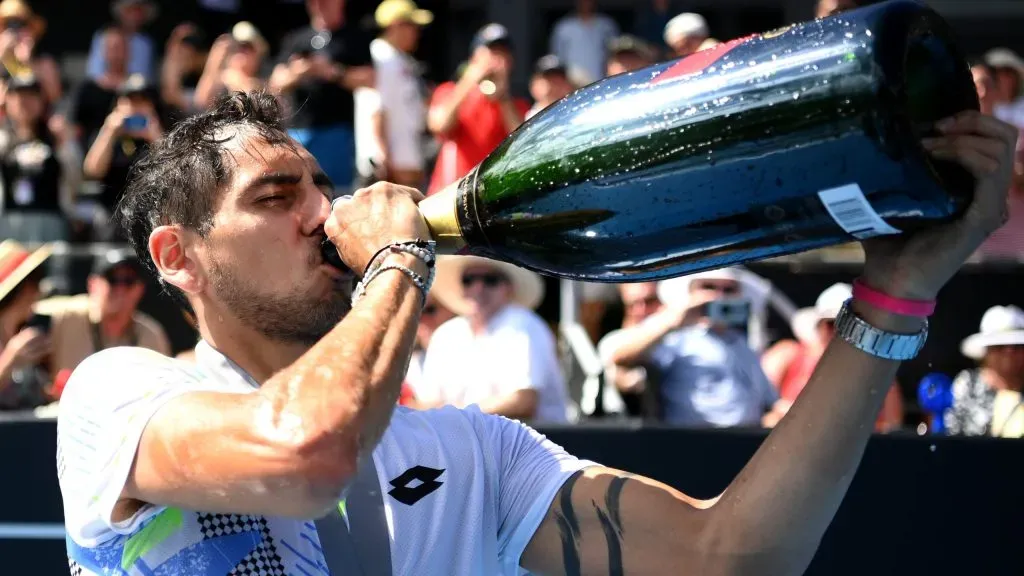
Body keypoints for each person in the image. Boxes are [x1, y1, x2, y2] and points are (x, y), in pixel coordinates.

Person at [56, 90, 1016, 575]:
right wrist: (397, 265)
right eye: (276, 197)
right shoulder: (120, 394)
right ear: (178, 257)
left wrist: (896, 294)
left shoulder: (475, 448)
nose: (325, 212)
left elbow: (734, 556)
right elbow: (305, 452)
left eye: (321, 185)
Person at [609, 268, 788, 428]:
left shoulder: (743, 344)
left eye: (728, 290)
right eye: (708, 287)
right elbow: (621, 357)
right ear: (690, 292)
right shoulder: (674, 337)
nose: (719, 296)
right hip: (694, 445)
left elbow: (770, 402)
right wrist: (673, 321)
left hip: (745, 446)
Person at [419, 255, 571, 423]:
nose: (478, 288)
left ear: (509, 288)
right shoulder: (446, 334)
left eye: (490, 280)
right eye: (468, 280)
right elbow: (428, 404)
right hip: (469, 440)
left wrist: (456, 414)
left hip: (529, 443)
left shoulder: (523, 324)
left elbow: (524, 402)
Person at [761, 283, 904, 432]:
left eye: (849, 326)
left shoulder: (880, 375)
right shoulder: (786, 357)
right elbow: (760, 417)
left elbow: (891, 430)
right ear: (819, 327)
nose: (839, 333)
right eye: (832, 324)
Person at [270, 0, 376, 190]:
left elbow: (369, 79)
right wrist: (299, 72)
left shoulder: (354, 37)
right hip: (298, 132)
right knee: (297, 190)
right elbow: (275, 82)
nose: (318, 5)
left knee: (335, 191)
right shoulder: (296, 38)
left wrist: (332, 71)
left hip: (338, 132)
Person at [426, 23, 529, 194]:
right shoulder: (449, 91)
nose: (495, 60)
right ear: (474, 58)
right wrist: (469, 80)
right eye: (490, 52)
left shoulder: (517, 105)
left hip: (491, 197)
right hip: (449, 195)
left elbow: (522, 146)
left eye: (502, 54)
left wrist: (503, 97)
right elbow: (439, 125)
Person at [33, 248, 171, 375]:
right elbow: (28, 308)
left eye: (129, 281)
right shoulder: (65, 317)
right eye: (112, 279)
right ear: (92, 284)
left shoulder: (151, 335)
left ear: (140, 289)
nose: (120, 289)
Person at [354, 0, 432, 188]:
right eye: (413, 25)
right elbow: (376, 108)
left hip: (405, 165)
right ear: (396, 25)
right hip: (390, 171)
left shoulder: (400, 58)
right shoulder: (381, 56)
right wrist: (383, 156)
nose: (417, 32)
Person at [945, 305, 1024, 437]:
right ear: (986, 352)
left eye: (1017, 346)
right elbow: (954, 434)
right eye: (1000, 346)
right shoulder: (968, 384)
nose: (1009, 352)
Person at [0, 240, 52, 410]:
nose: (39, 291)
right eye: (34, 282)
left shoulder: (23, 333)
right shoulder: (15, 345)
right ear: (18, 291)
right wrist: (10, 358)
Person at [193, 22, 269, 111]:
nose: (240, 51)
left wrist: (236, 79)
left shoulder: (265, 83)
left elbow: (255, 108)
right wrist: (215, 60)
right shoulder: (220, 79)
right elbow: (201, 102)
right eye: (235, 46)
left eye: (246, 46)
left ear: (258, 52)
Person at [0, 0, 60, 104]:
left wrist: (29, 63)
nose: (14, 31)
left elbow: (55, 97)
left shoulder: (44, 62)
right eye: (8, 24)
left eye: (21, 24)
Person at [549, 0, 619, 87]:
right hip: (572, 81)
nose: (585, 3)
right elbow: (557, 57)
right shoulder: (564, 26)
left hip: (601, 79)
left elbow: (615, 53)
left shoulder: (606, 24)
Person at [85, 0, 157, 82]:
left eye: (138, 10)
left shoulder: (145, 43)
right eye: (130, 10)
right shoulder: (102, 35)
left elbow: (143, 77)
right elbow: (94, 73)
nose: (134, 15)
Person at [526, 54, 574, 120]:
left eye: (559, 80)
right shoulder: (531, 120)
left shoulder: (577, 112)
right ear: (534, 86)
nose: (556, 87)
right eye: (549, 80)